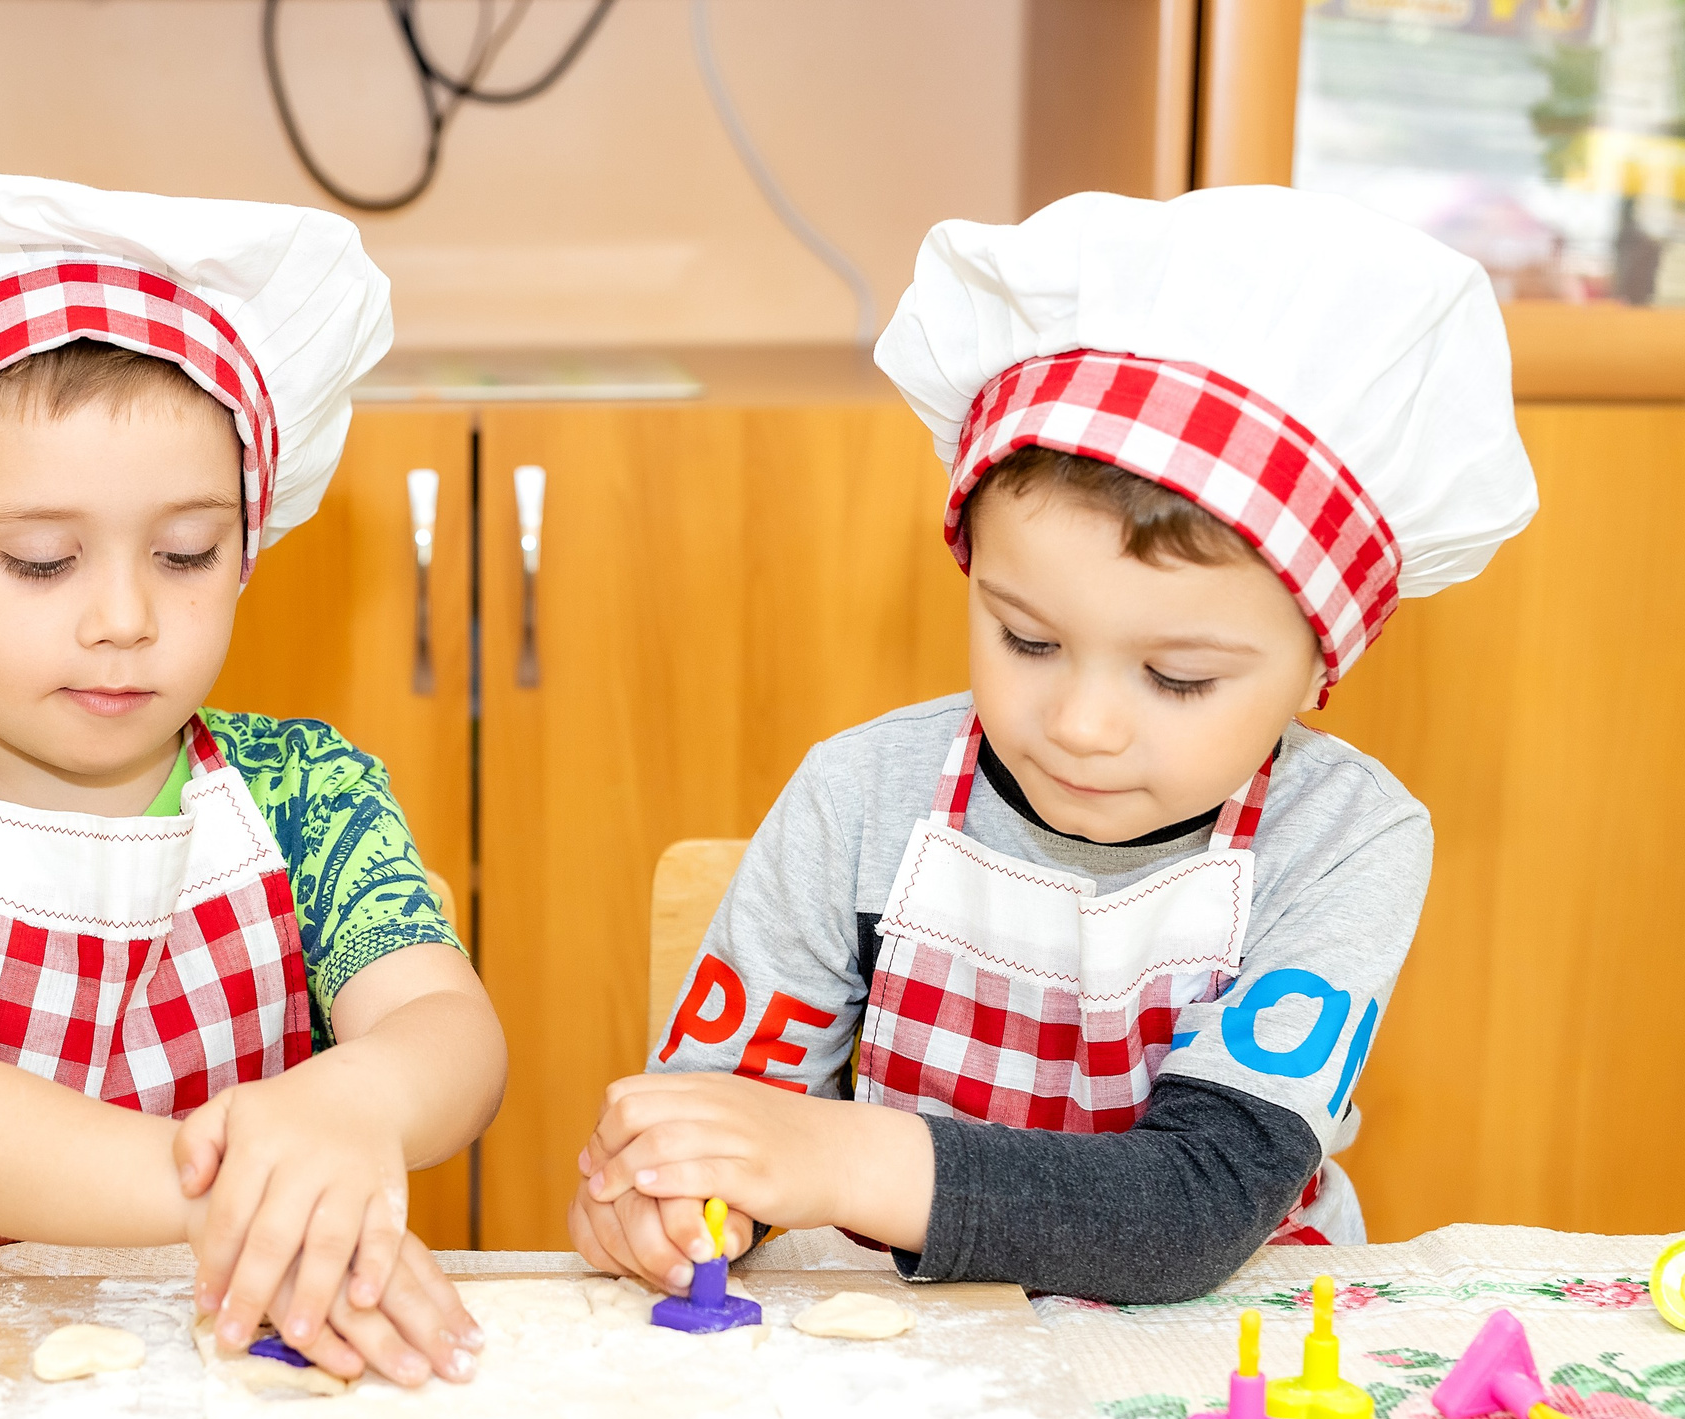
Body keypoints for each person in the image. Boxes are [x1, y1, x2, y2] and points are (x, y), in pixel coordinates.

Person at [575, 187, 1537, 1305]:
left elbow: (1195, 1205)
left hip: (1222, 1355)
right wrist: (671, 1199)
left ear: (1321, 663)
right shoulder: (859, 794)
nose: (1080, 725)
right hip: (905, 1339)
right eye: (1026, 639)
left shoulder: (1343, 839)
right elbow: (720, 1128)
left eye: (1177, 678)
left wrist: (830, 1153)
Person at [0, 154, 505, 1383]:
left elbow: (443, 1026)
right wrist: (233, 1189)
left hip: (240, 1331)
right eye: (43, 560)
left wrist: (352, 1105)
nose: (122, 618)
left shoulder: (308, 789)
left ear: (247, 550)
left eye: (186, 553)